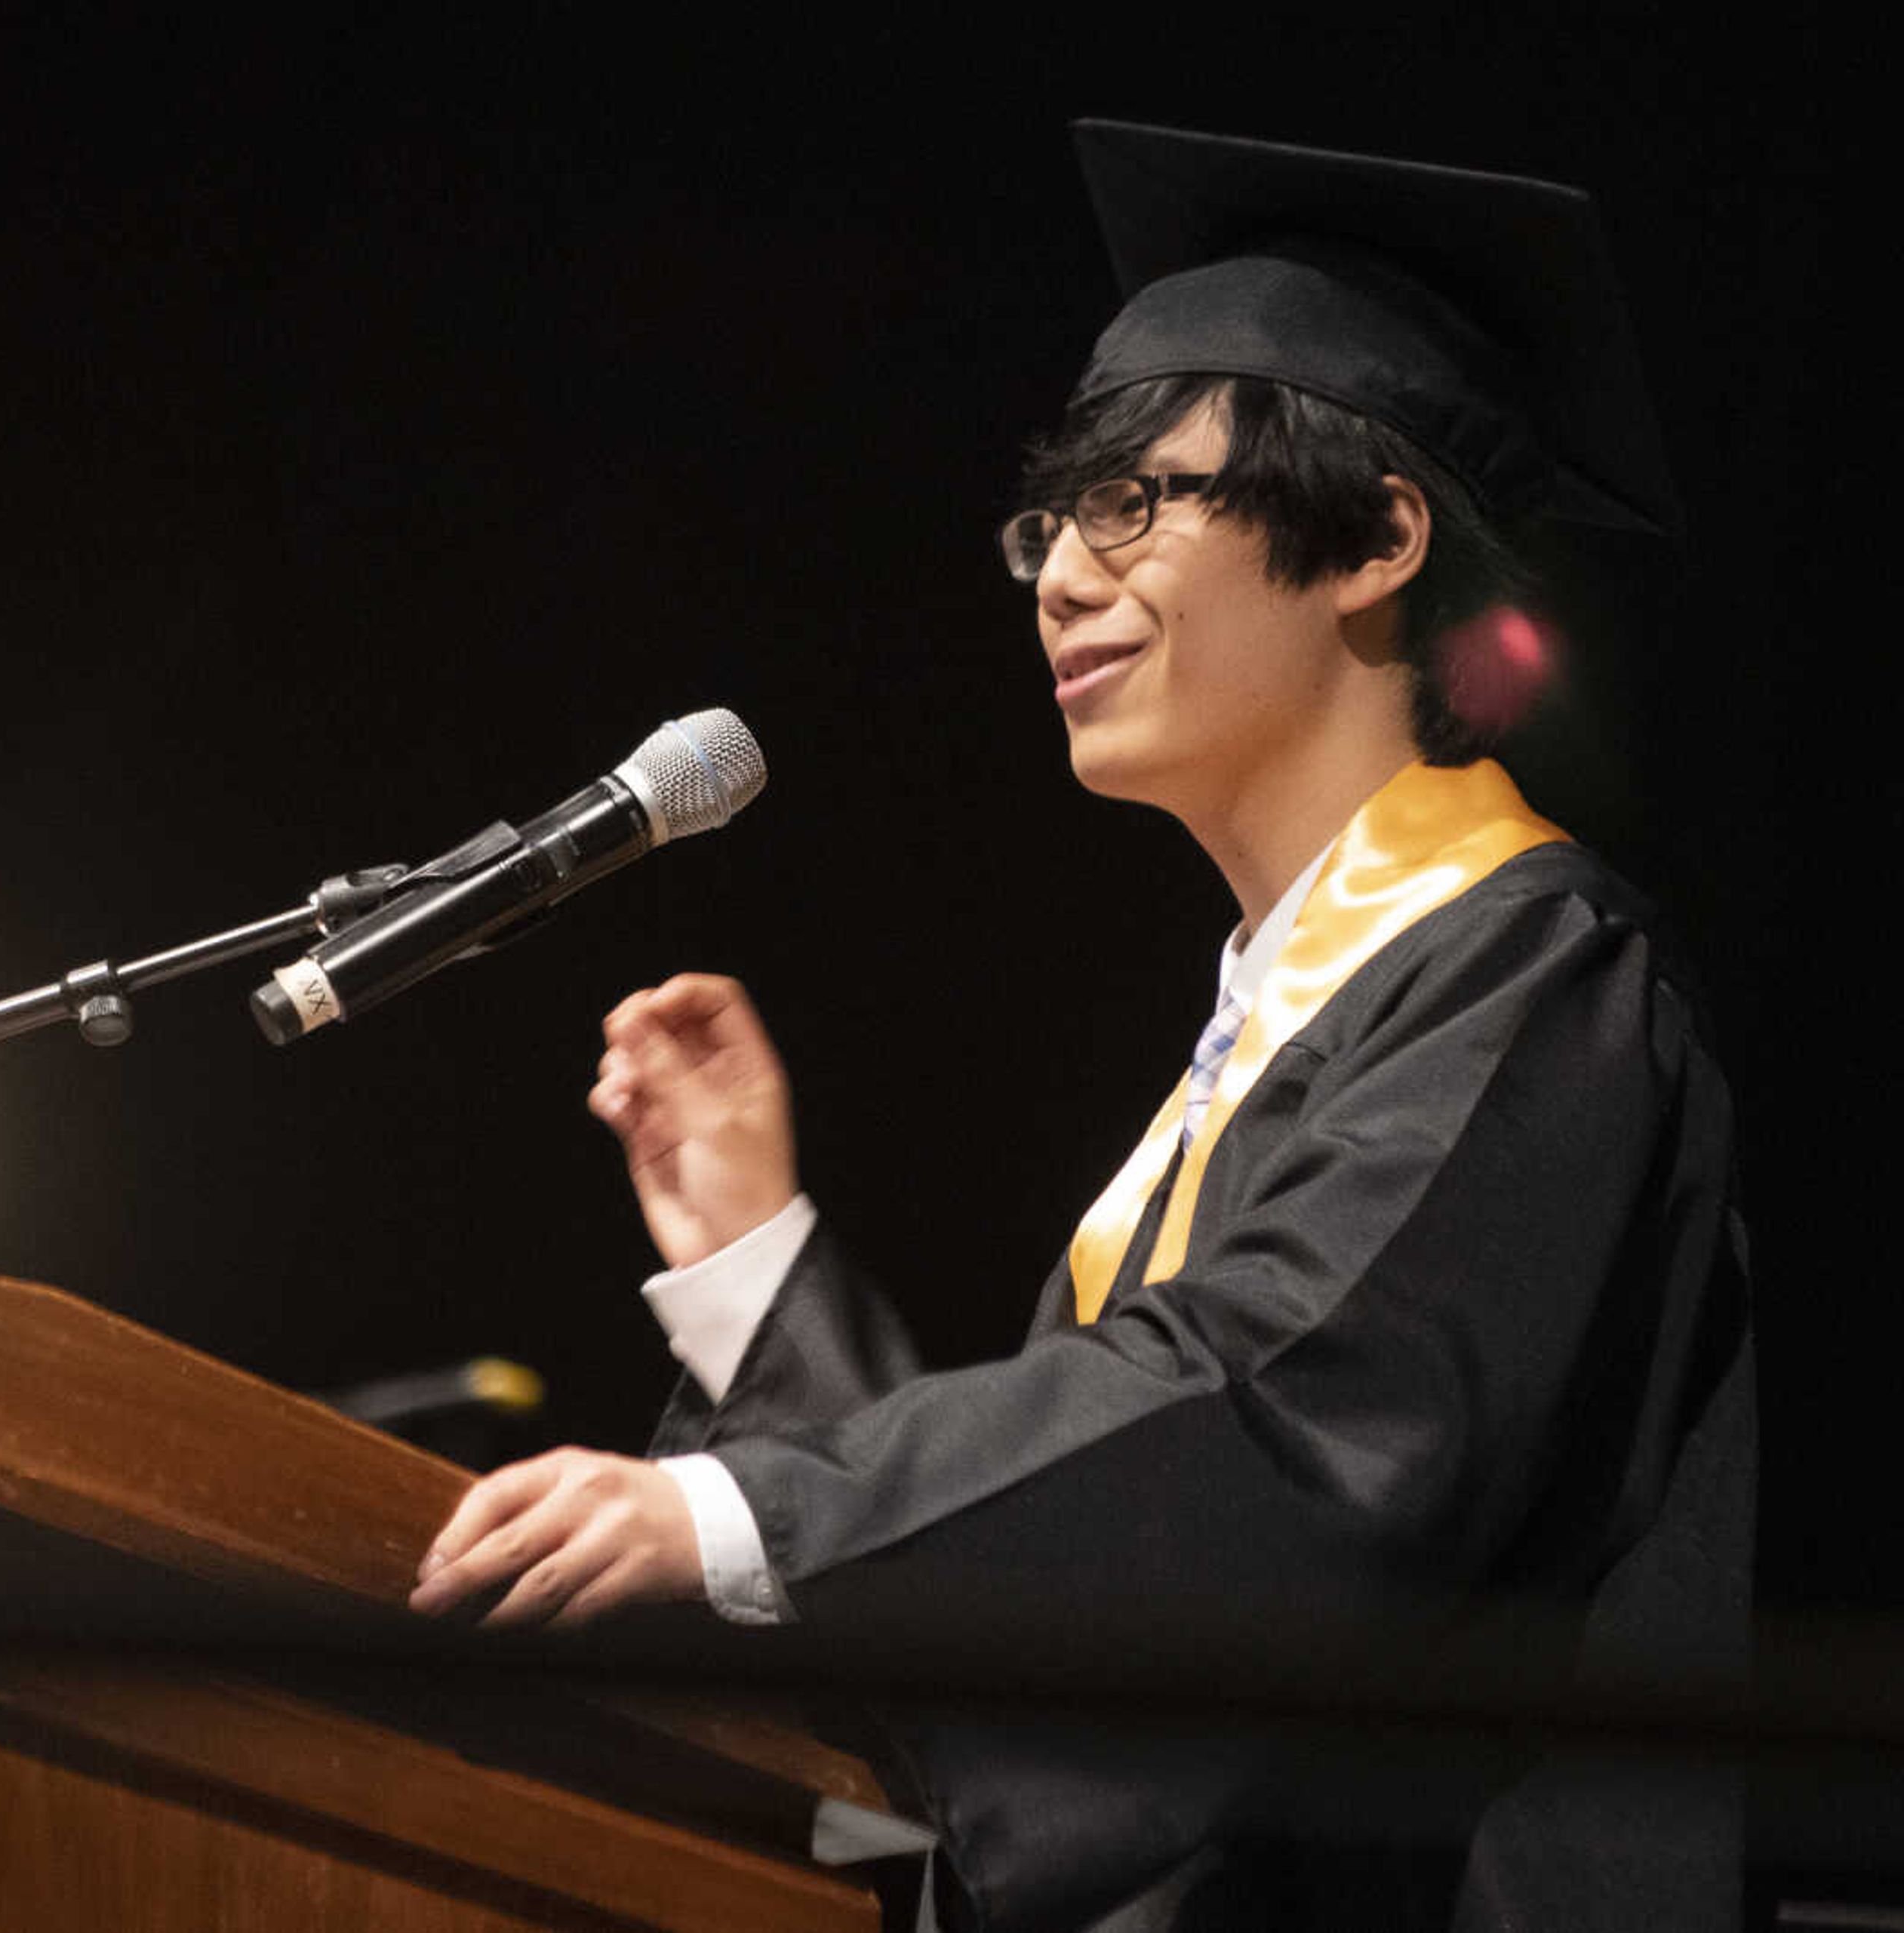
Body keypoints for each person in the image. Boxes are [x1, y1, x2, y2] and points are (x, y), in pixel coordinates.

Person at [407, 122, 1755, 1931]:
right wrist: (757, 1274)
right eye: (1051, 518)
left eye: (1136, 501)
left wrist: (734, 1520)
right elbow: (1083, 1574)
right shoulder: (1282, 1023)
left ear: (1373, 537)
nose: (1054, 573)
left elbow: (1284, 1437)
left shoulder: (1546, 976)